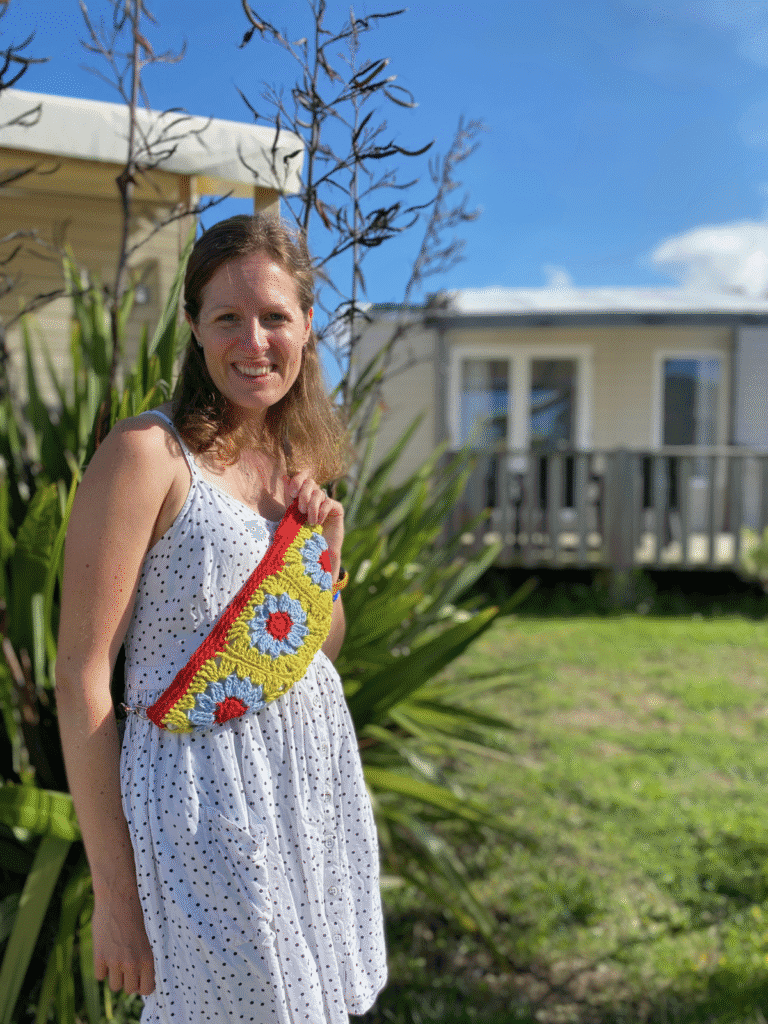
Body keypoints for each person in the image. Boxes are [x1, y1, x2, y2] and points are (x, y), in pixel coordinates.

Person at [55, 214, 387, 1023]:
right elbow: (83, 674)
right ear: (194, 327)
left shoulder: (298, 464)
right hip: (203, 807)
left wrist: (324, 556)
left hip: (309, 795)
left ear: (308, 325)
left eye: (275, 317)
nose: (255, 340)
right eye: (228, 317)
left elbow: (316, 652)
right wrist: (116, 894)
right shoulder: (148, 455)